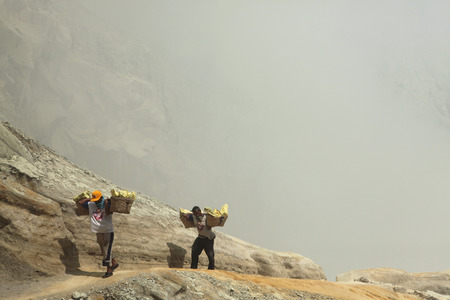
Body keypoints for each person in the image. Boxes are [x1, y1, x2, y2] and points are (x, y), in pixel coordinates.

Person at [78, 190, 119, 278]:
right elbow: (80, 202)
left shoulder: (108, 203)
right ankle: (114, 262)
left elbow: (109, 212)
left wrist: (107, 203)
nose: (96, 201)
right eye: (95, 200)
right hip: (98, 230)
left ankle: (109, 270)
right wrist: (90, 199)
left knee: (107, 247)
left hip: (108, 230)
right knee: (103, 248)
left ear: (101, 197)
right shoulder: (91, 204)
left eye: (97, 199)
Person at [185, 206, 215, 270]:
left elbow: (213, 220)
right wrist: (192, 214)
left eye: (197, 213)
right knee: (194, 252)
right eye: (195, 213)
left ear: (200, 211)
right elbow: (185, 215)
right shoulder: (194, 217)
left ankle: (211, 269)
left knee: (210, 254)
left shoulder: (206, 218)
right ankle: (193, 267)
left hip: (208, 238)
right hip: (200, 238)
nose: (196, 214)